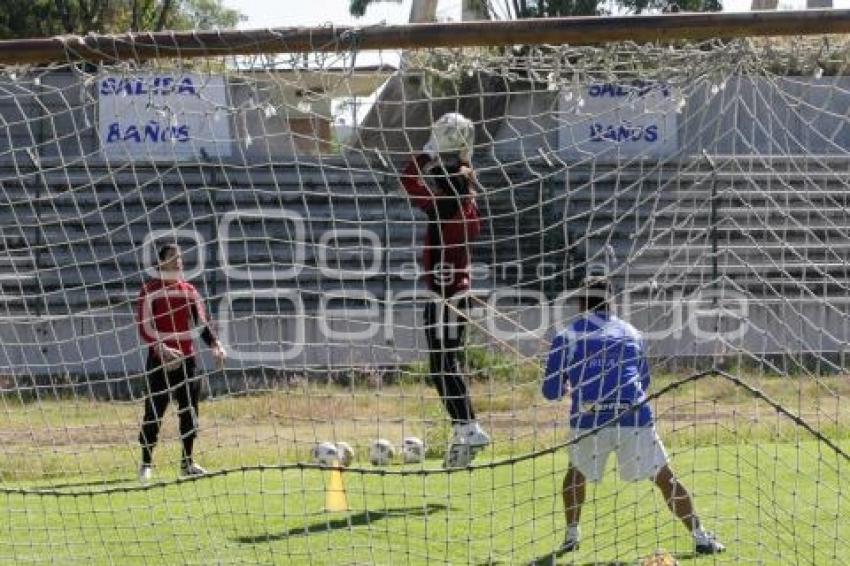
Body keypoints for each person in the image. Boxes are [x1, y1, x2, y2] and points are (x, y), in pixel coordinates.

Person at [542, 276, 725, 555]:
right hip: (634, 417)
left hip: (590, 420)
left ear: (580, 302)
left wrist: (567, 384)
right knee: (665, 478)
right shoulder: (632, 333)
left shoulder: (566, 336)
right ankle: (701, 537)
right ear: (612, 301)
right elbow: (642, 381)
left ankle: (571, 536)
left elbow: (551, 392)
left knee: (575, 474)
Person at [399, 121, 490, 469]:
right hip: (460, 295)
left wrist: (428, 151)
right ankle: (466, 429)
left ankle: (469, 425)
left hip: (443, 296)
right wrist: (463, 159)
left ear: (442, 187)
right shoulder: (468, 208)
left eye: (437, 180)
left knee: (442, 366)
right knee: (445, 364)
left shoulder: (439, 208)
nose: (432, 183)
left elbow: (408, 180)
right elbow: (462, 184)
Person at [136, 243, 226, 481]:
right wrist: (160, 347)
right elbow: (144, 327)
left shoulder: (189, 290)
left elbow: (202, 322)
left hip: (187, 360)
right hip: (159, 361)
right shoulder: (149, 290)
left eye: (180, 257)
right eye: (173, 257)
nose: (179, 261)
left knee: (189, 412)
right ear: (161, 262)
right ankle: (146, 463)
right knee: (154, 412)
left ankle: (187, 463)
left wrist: (216, 345)